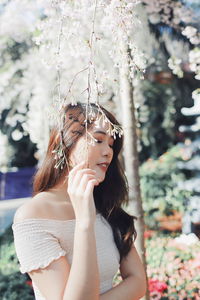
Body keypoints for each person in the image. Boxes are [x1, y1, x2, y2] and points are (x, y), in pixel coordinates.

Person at [12, 102, 147, 300]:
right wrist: (85, 222)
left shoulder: (105, 206)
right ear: (65, 141)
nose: (108, 152)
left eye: (111, 143)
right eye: (98, 140)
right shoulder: (32, 216)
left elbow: (137, 281)